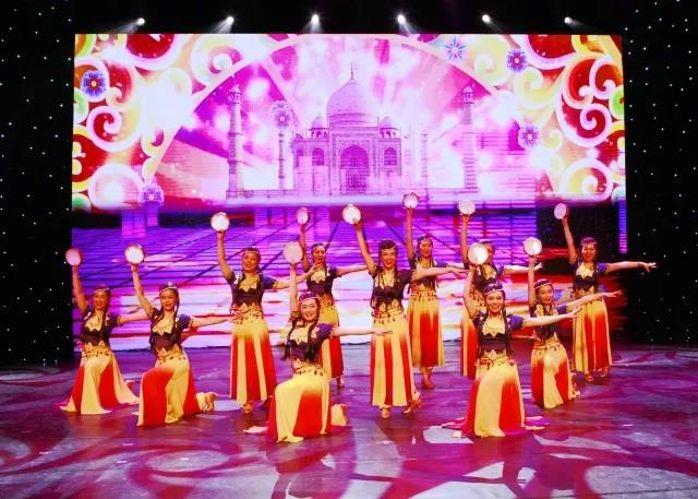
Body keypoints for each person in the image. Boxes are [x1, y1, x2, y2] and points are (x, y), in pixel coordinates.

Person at [255, 264, 388, 443]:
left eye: (312, 306)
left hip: (314, 378)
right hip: (298, 376)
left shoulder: (322, 328)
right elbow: (293, 295)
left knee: (281, 391)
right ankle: (288, 426)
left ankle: (287, 430)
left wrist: (372, 331)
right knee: (285, 393)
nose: (308, 310)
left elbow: (346, 331)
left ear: (318, 308)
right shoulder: (295, 323)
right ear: (300, 309)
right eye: (305, 307)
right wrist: (293, 270)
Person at [352, 219, 465, 419]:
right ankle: (385, 402)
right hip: (379, 324)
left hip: (397, 323)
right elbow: (364, 253)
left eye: (392, 254)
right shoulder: (375, 272)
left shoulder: (404, 275)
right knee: (381, 363)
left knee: (400, 362)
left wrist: (448, 269)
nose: (388, 257)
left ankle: (410, 396)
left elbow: (428, 271)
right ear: (381, 256)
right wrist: (358, 230)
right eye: (385, 254)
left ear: (396, 256)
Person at [450, 270, 579, 438]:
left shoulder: (511, 321)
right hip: (484, 366)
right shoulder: (478, 318)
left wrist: (565, 316)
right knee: (488, 398)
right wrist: (472, 270)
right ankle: (488, 423)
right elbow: (466, 296)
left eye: (498, 298)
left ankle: (491, 425)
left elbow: (538, 320)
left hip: (503, 366)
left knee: (482, 387)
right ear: (485, 300)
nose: (495, 302)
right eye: (491, 298)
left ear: (503, 300)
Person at [217, 229, 312, 414]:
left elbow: (288, 284)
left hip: (257, 325)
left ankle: (267, 394)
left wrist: (305, 274)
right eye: (246, 258)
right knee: (243, 361)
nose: (248, 261)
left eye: (253, 259)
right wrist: (220, 238)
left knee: (260, 359)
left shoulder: (262, 279)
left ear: (258, 262)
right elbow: (222, 261)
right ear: (241, 259)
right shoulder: (234, 278)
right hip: (240, 326)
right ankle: (246, 398)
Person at [561, 208, 656, 382]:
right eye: (585, 249)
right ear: (581, 250)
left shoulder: (600, 267)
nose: (588, 251)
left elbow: (621, 264)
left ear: (596, 251)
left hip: (597, 306)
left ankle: (603, 364)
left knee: (598, 338)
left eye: (591, 249)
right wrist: (565, 224)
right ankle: (587, 369)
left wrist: (641, 264)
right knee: (583, 340)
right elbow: (570, 242)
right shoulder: (575, 263)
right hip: (580, 307)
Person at [130, 264, 230, 427]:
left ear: (176, 299)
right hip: (161, 363)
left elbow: (203, 321)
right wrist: (134, 271)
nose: (167, 301)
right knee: (170, 401)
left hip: (178, 363)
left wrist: (226, 318)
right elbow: (140, 293)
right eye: (163, 298)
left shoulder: (181, 319)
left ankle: (202, 400)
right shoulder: (154, 315)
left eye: (170, 297)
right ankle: (203, 399)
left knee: (178, 409)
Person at [527, 255, 620, 408]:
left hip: (558, 349)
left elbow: (581, 301)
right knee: (549, 383)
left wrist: (602, 294)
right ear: (537, 295)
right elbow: (530, 287)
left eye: (549, 292)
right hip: (543, 352)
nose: (547, 295)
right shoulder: (534, 309)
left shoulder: (558, 309)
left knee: (564, 382)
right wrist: (531, 266)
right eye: (542, 293)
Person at [458, 211, 541, 379]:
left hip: (492, 309)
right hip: (475, 310)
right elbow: (464, 249)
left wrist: (532, 268)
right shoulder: (474, 267)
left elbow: (512, 268)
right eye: (485, 251)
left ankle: (495, 368)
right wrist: (465, 224)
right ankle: (479, 374)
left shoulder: (495, 268)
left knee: (495, 340)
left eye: (490, 251)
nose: (488, 254)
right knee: (477, 342)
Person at [61, 263, 143, 415]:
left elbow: (131, 317)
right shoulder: (87, 312)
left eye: (102, 297)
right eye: (96, 296)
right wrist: (75, 271)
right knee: (87, 367)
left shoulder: (110, 318)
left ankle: (91, 407)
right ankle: (122, 388)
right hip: (87, 357)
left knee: (90, 367)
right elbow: (78, 292)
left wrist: (152, 313)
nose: (98, 300)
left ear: (108, 300)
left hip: (103, 357)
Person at [299, 221, 366, 389]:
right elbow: (302, 249)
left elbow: (350, 269)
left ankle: (338, 374)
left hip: (329, 311)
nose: (320, 254)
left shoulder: (331, 270)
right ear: (312, 254)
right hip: (313, 313)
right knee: (315, 343)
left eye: (322, 252)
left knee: (332, 342)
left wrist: (368, 266)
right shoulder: (308, 269)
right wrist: (302, 230)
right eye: (317, 252)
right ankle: (319, 372)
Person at [405, 207, 446, 389]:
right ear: (418, 247)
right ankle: (423, 374)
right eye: (423, 245)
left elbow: (452, 267)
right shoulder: (413, 262)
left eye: (429, 245)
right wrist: (409, 215)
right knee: (418, 338)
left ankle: (428, 373)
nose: (426, 248)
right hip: (417, 302)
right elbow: (408, 239)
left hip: (431, 303)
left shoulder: (437, 263)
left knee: (430, 338)